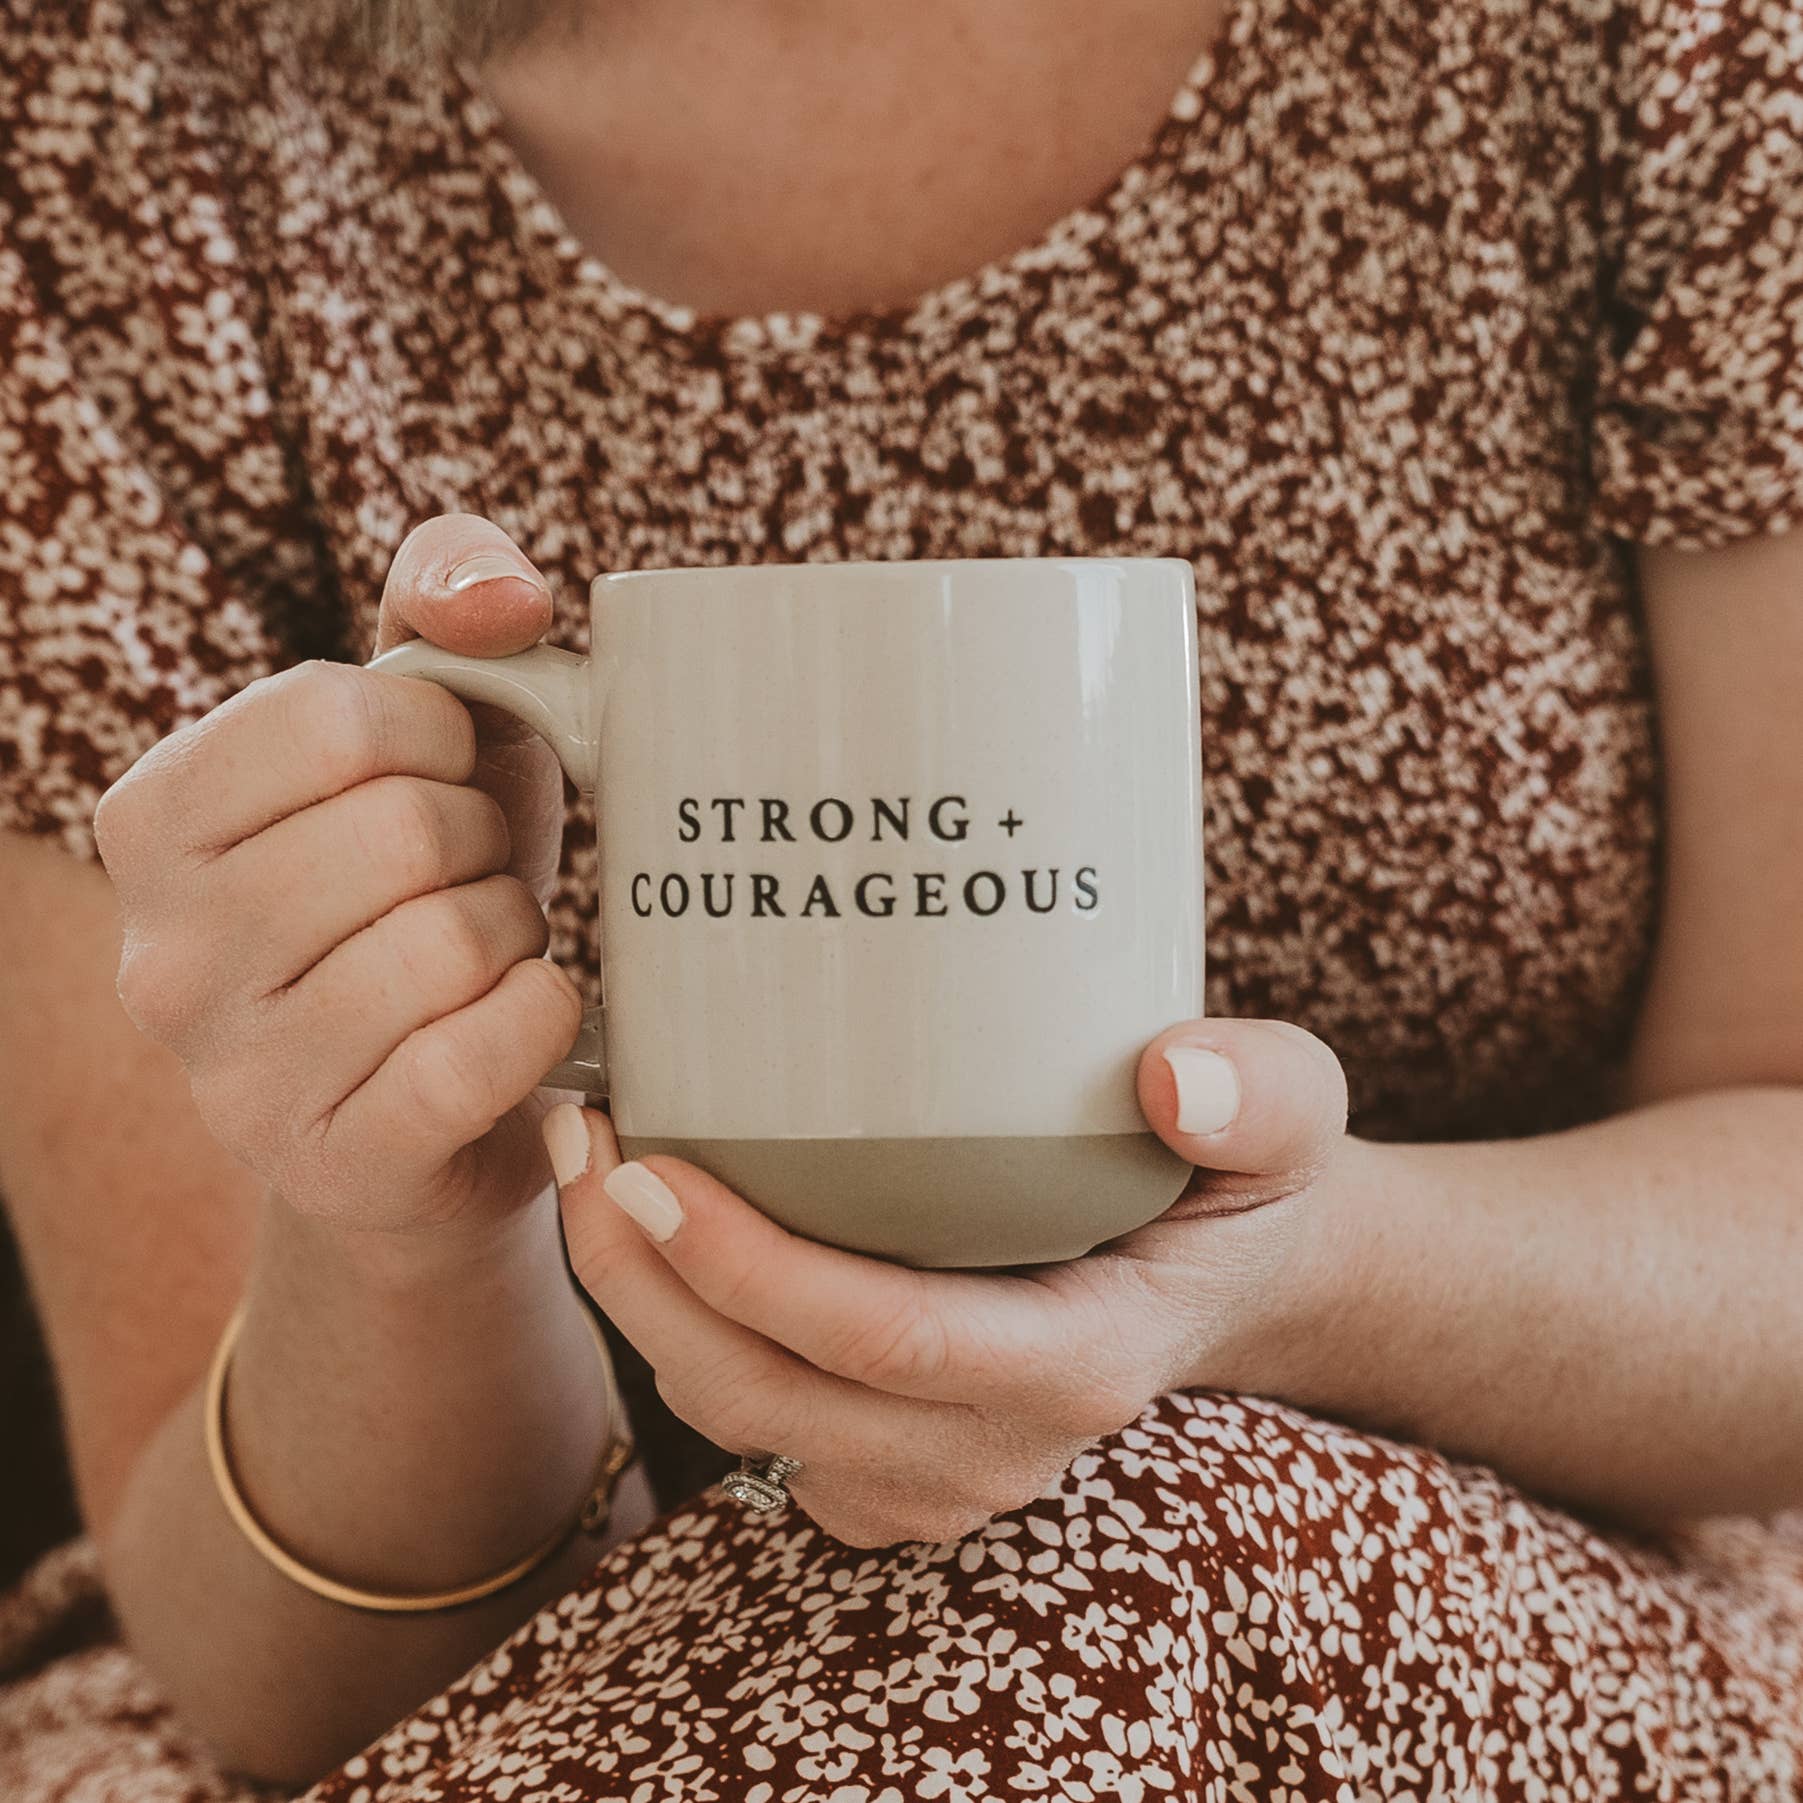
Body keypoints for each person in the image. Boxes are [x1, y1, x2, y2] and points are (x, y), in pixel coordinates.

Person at [1, 0, 1801, 1795]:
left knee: (1097, 1599)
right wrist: (408, 1222)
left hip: (1558, 1578)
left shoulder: (1641, 36)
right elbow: (278, 1698)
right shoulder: (132, 88)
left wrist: (1300, 1274)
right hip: (534, 1689)